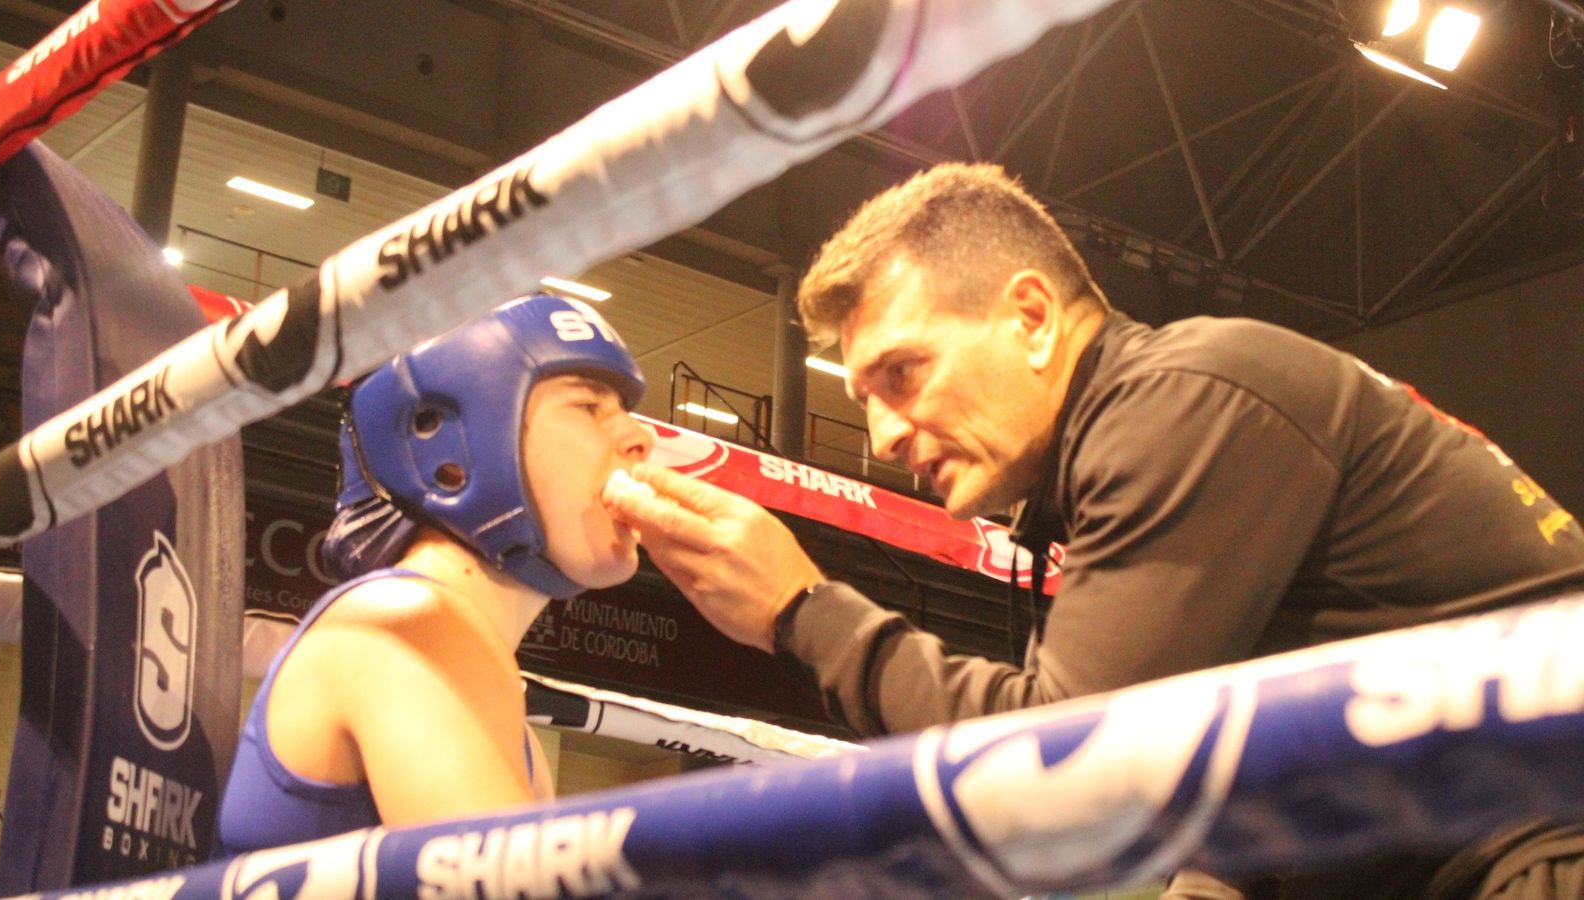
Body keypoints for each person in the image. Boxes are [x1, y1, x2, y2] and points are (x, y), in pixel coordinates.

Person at [602, 163, 1584, 899]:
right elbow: (1231, 739)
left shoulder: (1179, 404)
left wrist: (801, 608)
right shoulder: (1142, 439)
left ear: (1031, 318)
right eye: (865, 397)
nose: (886, 434)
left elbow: (1066, 767)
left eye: (903, 373)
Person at [217, 293, 652, 854]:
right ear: (451, 446)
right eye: (588, 406)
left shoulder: (507, 718)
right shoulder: (405, 623)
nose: (642, 438)